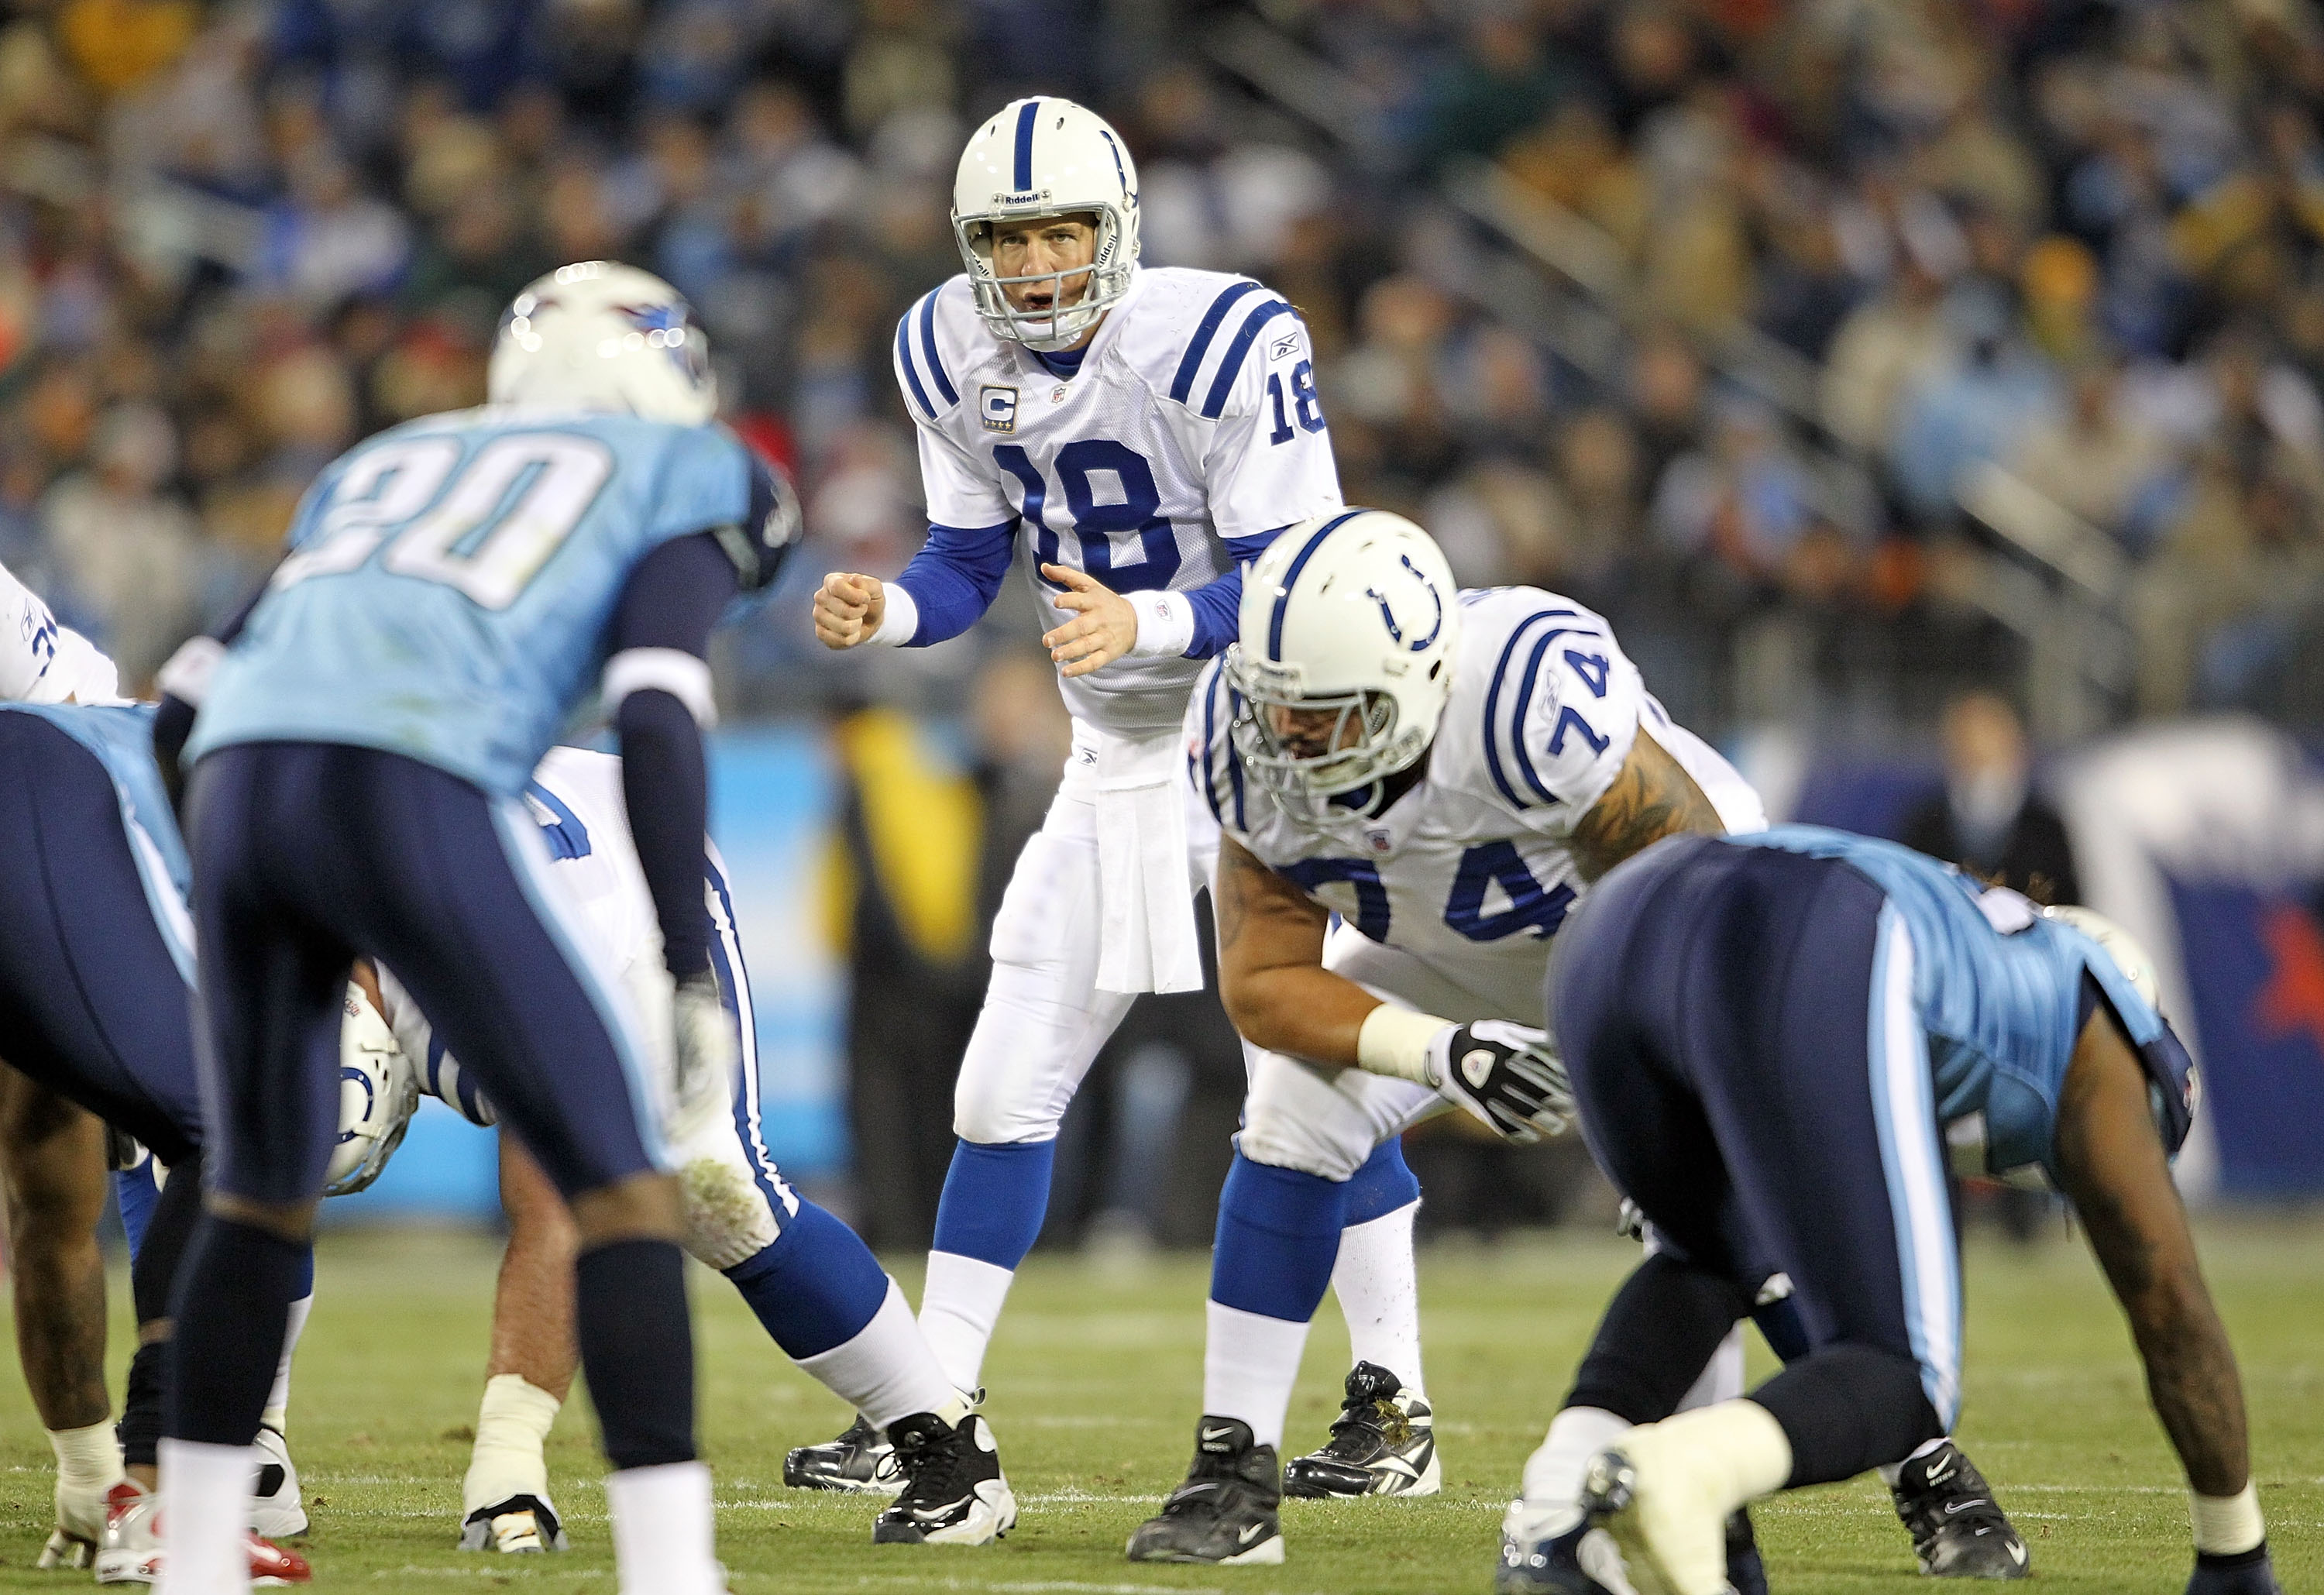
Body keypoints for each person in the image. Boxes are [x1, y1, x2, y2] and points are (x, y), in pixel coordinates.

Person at [1137, 510, 2026, 1580]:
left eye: (1331, 718)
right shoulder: (1245, 733)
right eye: (1282, 714)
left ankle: (1924, 1466)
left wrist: (1640, 1073)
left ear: (1418, 678)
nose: (1294, 744)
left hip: (1655, 925)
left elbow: (1700, 891)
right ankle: (1231, 1475)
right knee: (1291, 1111)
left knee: (1706, 1203)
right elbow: (1266, 980)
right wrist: (1444, 1051)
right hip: (1442, 949)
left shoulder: (1528, 698)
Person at [806, 95, 1427, 1491]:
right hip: (1115, 757)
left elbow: (1297, 569)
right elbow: (965, 567)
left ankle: (1394, 1400)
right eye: (1007, 238)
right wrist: (887, 613)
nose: (1033, 265)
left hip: (1264, 742)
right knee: (1004, 1072)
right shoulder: (942, 347)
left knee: (1300, 1076)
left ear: (1118, 226)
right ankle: (928, 1398)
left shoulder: (1219, 339)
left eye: (1061, 230)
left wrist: (1144, 625)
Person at [149, 260, 797, 1595]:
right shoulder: (697, 472)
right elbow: (660, 709)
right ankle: (673, 1570)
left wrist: (230, 880)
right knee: (618, 1181)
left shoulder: (388, 460)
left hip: (236, 783)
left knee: (256, 1190)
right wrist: (684, 954)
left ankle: (192, 1562)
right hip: (411, 781)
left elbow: (184, 696)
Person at [1528, 826, 2282, 1595]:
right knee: (1903, 1373)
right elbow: (2173, 1305)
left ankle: (1551, 1514)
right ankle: (1682, 1470)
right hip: (1802, 932)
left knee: (1711, 1254)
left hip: (1616, 924)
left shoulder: (1966, 941)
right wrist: (2236, 1557)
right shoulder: (2095, 1019)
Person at [357, 746, 1012, 1551]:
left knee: (720, 1194)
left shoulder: (505, 955)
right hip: (482, 871)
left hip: (630, 884)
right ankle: (252, 1454)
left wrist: (507, 1464)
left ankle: (949, 1445)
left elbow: (558, 1202)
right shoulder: (268, 907)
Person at [0, 562, 318, 1583]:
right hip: (59, 793)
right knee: (229, 1127)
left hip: (63, 801)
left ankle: (100, 1481)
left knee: (50, 1181)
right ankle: (166, 1496)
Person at [1899, 689, 2082, 907]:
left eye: (1989, 735)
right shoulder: (1926, 825)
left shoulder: (2045, 827)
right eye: (1966, 737)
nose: (1978, 749)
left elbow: (2066, 907)